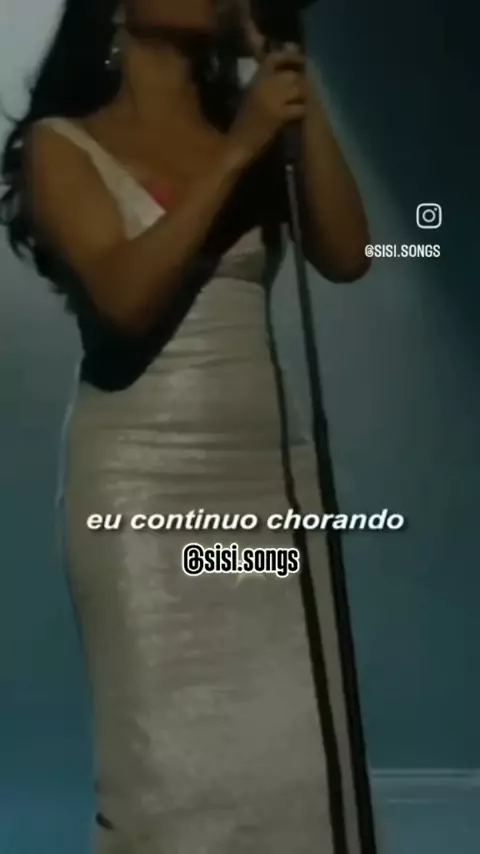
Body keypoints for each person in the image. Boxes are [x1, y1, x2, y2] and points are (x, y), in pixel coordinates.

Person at [1, 1, 376, 851]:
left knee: (298, 752)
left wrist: (289, 70)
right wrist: (240, 148)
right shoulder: (61, 144)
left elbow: (349, 255)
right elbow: (126, 297)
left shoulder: (256, 116)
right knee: (170, 767)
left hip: (270, 483)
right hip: (141, 489)